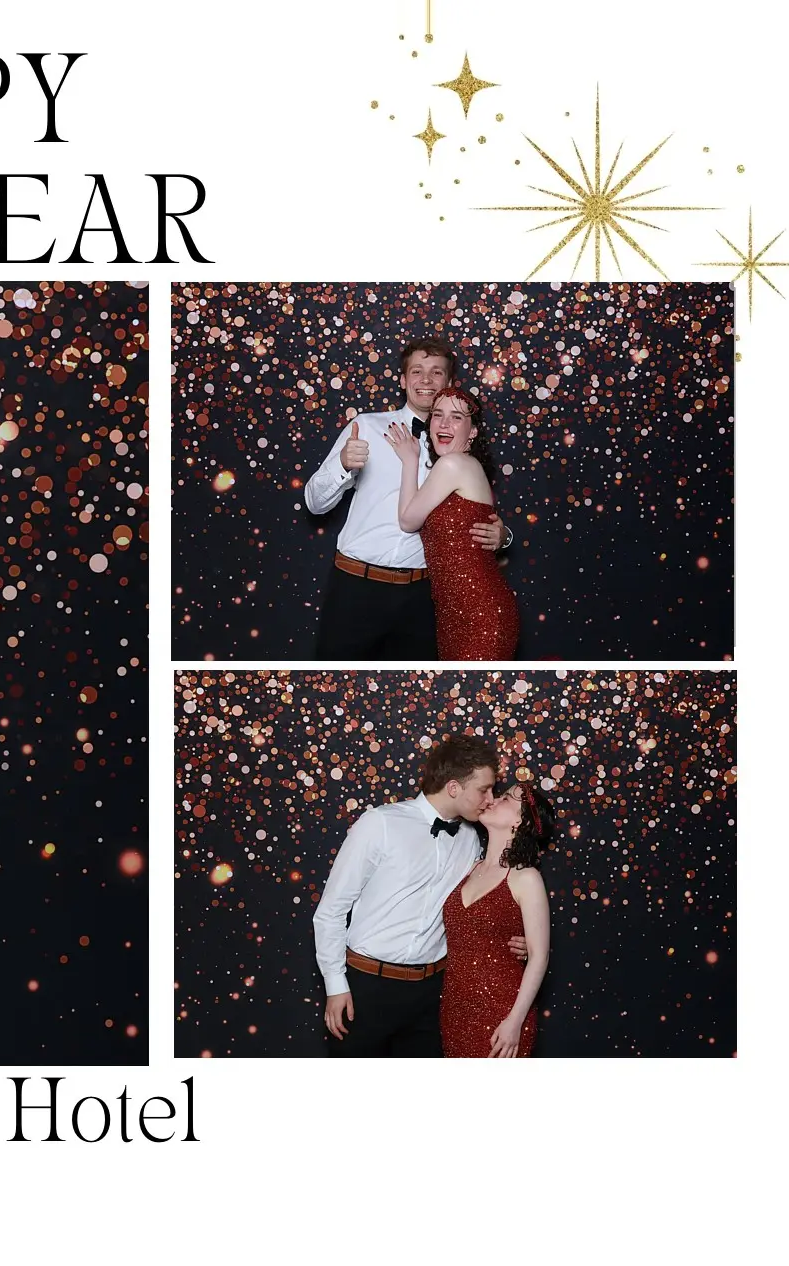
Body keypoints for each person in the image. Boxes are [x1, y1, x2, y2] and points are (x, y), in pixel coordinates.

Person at [312, 734, 519, 1057]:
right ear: (453, 788)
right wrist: (336, 985)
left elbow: (475, 908)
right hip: (366, 986)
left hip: (432, 993)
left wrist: (515, 941)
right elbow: (331, 911)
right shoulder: (379, 824)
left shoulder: (471, 841)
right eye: (484, 789)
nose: (490, 799)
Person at [302, 338, 508, 658]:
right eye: (417, 371)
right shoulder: (366, 427)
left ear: (450, 384)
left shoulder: (455, 446)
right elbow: (314, 504)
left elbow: (470, 514)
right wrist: (342, 466)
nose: (426, 380)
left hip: (424, 596)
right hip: (357, 585)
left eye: (436, 373)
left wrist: (503, 535)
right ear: (402, 380)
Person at [382, 386, 520, 659]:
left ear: (473, 432)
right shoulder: (460, 466)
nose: (444, 423)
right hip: (453, 615)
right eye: (437, 415)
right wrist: (504, 536)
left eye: (456, 417)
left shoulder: (453, 464)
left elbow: (408, 520)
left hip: (481, 615)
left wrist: (410, 461)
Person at [440, 782, 552, 1057]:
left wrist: (515, 1021)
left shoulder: (525, 877)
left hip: (502, 1014)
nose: (493, 800)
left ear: (519, 821)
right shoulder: (471, 866)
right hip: (454, 1010)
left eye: (506, 799)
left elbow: (539, 957)